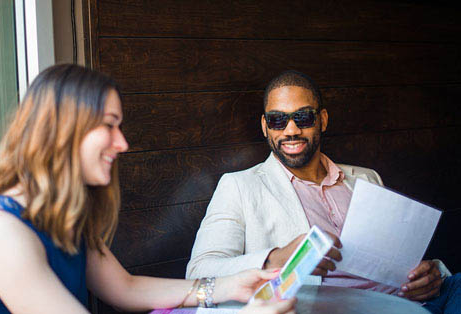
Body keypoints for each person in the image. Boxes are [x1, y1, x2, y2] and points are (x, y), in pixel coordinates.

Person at [0, 64, 297, 314]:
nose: (122, 143)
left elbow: (126, 287)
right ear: (63, 129)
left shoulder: (64, 217)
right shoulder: (3, 232)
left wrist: (229, 286)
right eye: (109, 125)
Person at [186, 70, 460, 312]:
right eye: (277, 120)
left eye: (303, 117)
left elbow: (399, 261)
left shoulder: (366, 177)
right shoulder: (240, 186)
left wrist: (428, 275)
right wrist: (274, 259)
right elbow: (199, 272)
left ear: (323, 120)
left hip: (414, 301)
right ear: (264, 126)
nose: (291, 130)